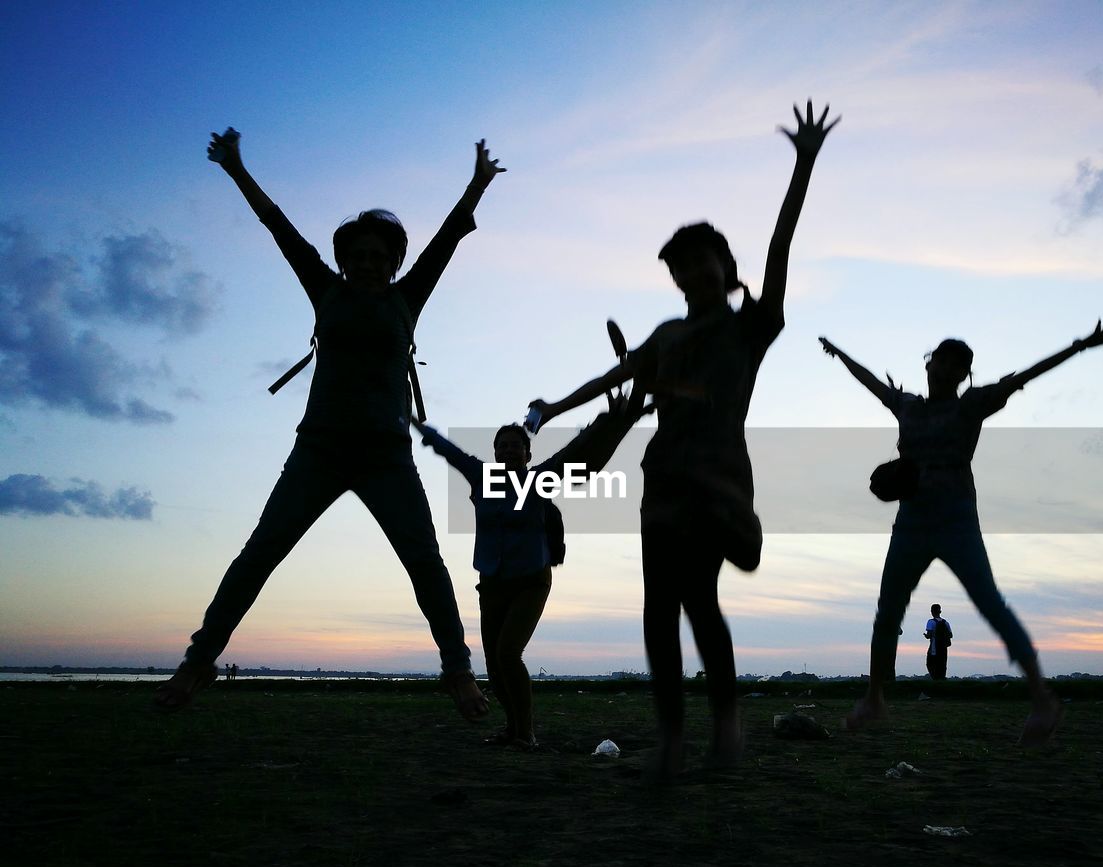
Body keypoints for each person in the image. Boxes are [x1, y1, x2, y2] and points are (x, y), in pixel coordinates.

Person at [527, 102, 838, 779]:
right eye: (681, 266)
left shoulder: (751, 326)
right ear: (672, 277)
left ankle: (725, 725)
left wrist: (803, 163)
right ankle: (671, 737)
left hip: (719, 478)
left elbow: (780, 249)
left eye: (704, 261)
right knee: (660, 609)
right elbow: (616, 375)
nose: (693, 272)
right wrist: (554, 406)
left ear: (726, 266)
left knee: (700, 601)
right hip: (663, 476)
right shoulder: (667, 336)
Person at [154, 127, 504, 719]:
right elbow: (279, 230)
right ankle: (197, 663)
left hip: (387, 456)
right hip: (318, 451)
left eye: (379, 256)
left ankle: (458, 671)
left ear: (395, 263)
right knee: (259, 554)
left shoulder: (406, 299)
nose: (367, 263)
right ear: (342, 260)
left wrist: (476, 186)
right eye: (357, 255)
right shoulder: (325, 291)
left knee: (424, 560)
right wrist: (236, 168)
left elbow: (446, 240)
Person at [819, 312, 1103, 745]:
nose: (944, 369)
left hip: (957, 517)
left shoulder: (971, 405)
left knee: (991, 605)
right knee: (887, 612)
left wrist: (1080, 346)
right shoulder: (908, 406)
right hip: (912, 520)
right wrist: (839, 353)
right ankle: (874, 699)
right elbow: (871, 383)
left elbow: (1025, 376)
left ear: (962, 375)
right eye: (939, 360)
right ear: (928, 364)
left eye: (954, 365)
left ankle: (1042, 698)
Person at [416, 398, 644, 749]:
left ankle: (526, 733)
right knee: (494, 664)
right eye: (502, 446)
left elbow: (575, 449)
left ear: (528, 454)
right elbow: (448, 450)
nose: (508, 451)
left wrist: (607, 423)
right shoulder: (481, 477)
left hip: (531, 581)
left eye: (515, 446)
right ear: (494, 453)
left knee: (509, 654)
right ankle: (512, 728)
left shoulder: (539, 479)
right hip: (491, 581)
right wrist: (419, 427)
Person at [924, 603, 951, 680]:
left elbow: (929, 635)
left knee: (930, 663)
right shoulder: (946, 622)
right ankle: (941, 680)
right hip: (943, 648)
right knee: (942, 665)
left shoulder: (931, 622)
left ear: (932, 611)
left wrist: (927, 636)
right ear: (940, 611)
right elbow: (951, 635)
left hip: (934, 647)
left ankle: (935, 679)